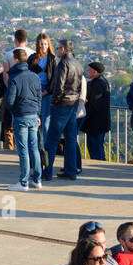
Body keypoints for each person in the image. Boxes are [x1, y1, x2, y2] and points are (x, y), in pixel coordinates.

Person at [42, 39, 85, 182]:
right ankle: (71, 171)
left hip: (62, 105)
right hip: (73, 105)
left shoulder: (63, 64)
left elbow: (59, 86)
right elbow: (78, 86)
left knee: (52, 140)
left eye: (59, 48)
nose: (57, 50)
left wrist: (54, 102)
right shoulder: (78, 64)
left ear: (64, 49)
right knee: (71, 139)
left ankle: (47, 172)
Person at [4, 48, 42, 191]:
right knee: (34, 148)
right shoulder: (35, 76)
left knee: (23, 150)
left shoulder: (15, 78)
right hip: (33, 115)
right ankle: (37, 180)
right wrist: (38, 114)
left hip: (20, 116)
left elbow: (10, 101)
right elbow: (39, 97)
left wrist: (14, 111)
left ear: (16, 60)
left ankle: (23, 182)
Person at [28, 33, 57, 169]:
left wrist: (46, 92)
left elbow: (54, 79)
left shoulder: (52, 59)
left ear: (48, 44)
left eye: (45, 44)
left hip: (47, 93)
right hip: (34, 92)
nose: (43, 46)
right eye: (41, 44)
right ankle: (35, 156)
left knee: (45, 124)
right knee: (34, 124)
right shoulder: (33, 58)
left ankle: (45, 156)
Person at [81, 61, 110, 161]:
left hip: (95, 122)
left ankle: (99, 166)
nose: (87, 71)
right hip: (99, 122)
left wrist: (85, 103)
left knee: (94, 146)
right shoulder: (102, 82)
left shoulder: (98, 84)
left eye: (89, 70)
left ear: (95, 72)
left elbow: (95, 103)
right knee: (98, 146)